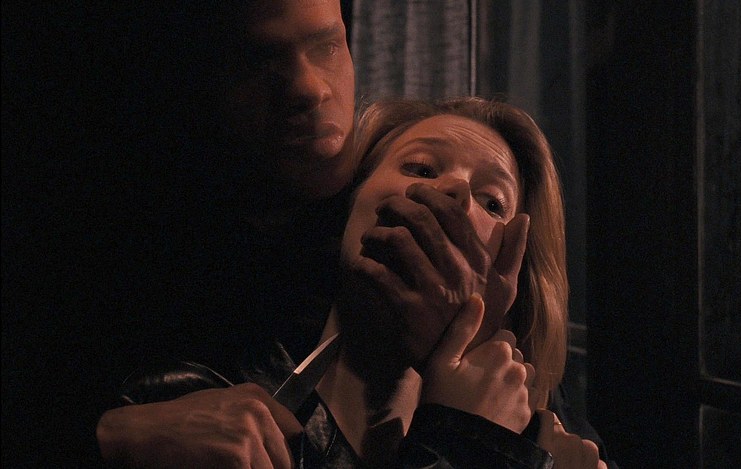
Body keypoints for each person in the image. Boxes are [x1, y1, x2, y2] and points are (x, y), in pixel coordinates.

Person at [98, 97, 612, 468]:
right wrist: (467, 441)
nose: (454, 190)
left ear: (512, 278)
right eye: (420, 167)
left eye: (492, 202)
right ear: (349, 204)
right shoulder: (214, 388)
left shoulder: (548, 434)